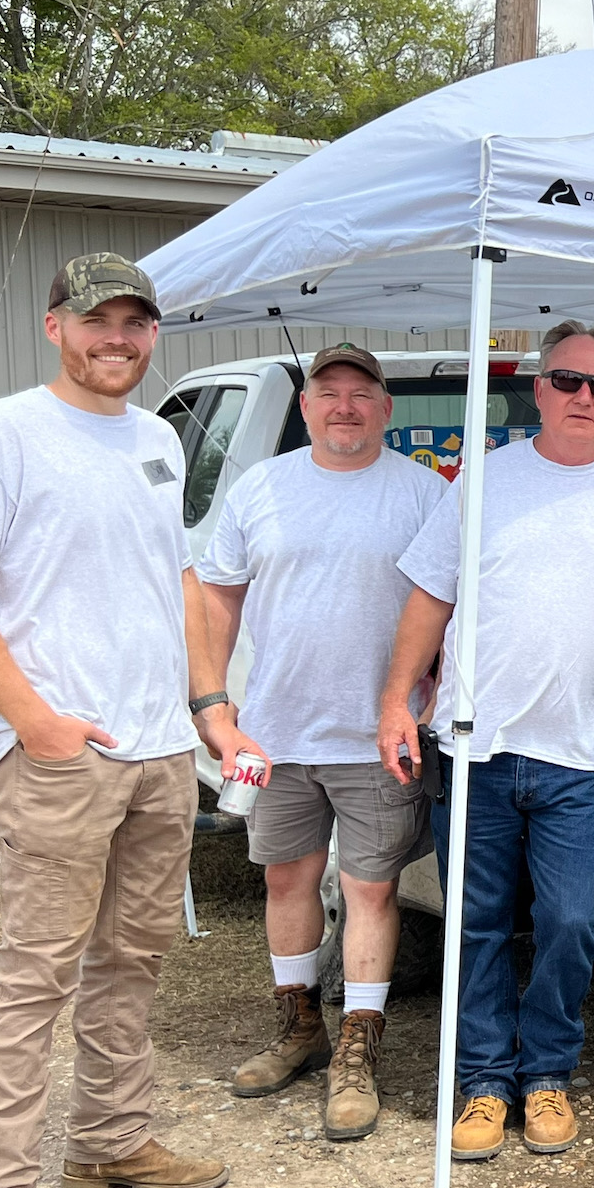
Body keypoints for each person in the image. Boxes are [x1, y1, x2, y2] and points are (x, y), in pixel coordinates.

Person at [0, 253, 263, 1188]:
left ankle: (109, 1138)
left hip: (155, 751)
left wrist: (209, 710)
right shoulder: (0, 431)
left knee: (131, 959)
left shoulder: (154, 438)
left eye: (136, 320)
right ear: (55, 325)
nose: (118, 337)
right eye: (97, 318)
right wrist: (32, 722)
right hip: (59, 757)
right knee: (35, 974)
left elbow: (178, 581)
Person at [378, 320, 594, 1161]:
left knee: (568, 923)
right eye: (568, 381)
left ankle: (549, 1072)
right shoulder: (485, 480)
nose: (584, 399)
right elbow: (429, 599)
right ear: (538, 388)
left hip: (575, 754)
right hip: (474, 745)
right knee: (477, 925)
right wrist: (392, 703)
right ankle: (485, 1084)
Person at [198, 344, 449, 1140]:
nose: (344, 406)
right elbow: (216, 599)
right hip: (275, 731)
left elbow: (450, 600)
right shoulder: (260, 489)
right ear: (304, 407)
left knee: (372, 889)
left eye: (361, 393)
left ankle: (358, 1050)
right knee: (286, 884)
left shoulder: (423, 494)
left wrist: (436, 683)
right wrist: (214, 705)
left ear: (386, 409)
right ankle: (299, 1027)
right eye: (328, 392)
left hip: (381, 732)